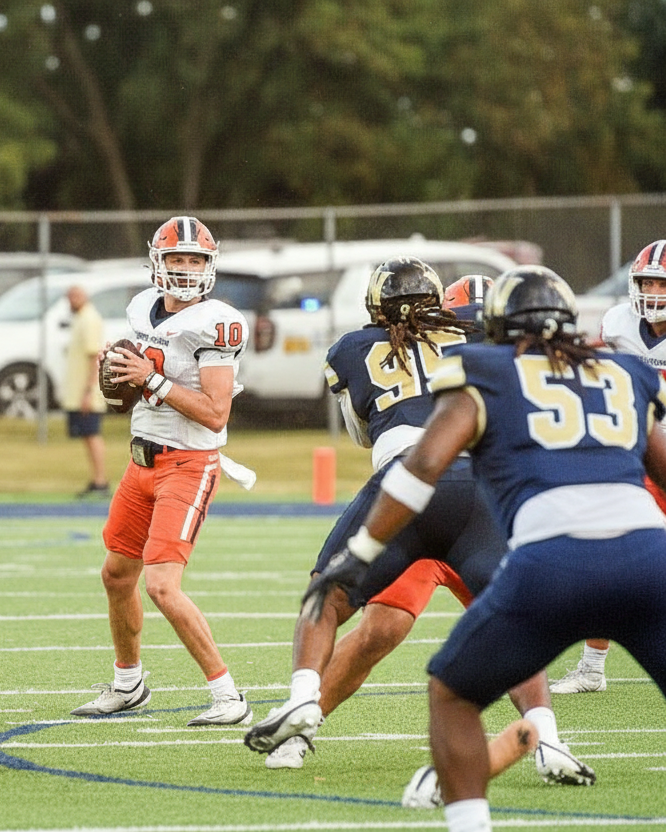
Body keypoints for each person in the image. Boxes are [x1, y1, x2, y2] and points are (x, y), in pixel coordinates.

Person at [302, 265, 666, 832]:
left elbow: (423, 464)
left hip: (549, 556)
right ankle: (545, 736)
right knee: (387, 628)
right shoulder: (623, 370)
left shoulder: (485, 371)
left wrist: (363, 547)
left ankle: (470, 820)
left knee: (451, 694)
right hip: (646, 556)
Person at [244, 261, 590, 787]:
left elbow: (364, 433)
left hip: (407, 485)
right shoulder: (477, 346)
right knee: (497, 621)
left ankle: (301, 699)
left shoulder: (351, 349)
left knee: (326, 596)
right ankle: (550, 739)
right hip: (476, 492)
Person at [70, 216, 253, 726]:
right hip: (141, 461)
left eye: (195, 260)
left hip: (188, 464)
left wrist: (150, 379)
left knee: (162, 586)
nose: (186, 268)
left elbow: (215, 412)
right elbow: (135, 387)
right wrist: (122, 381)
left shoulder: (217, 322)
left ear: (209, 266)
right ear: (158, 262)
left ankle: (228, 696)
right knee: (116, 575)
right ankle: (128, 684)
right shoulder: (141, 309)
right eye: (177, 258)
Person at [550, 240, 666, 695]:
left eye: (661, 284)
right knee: (611, 554)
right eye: (647, 283)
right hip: (639, 455)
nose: (653, 293)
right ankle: (592, 668)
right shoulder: (619, 323)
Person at [62, 284, 110, 498]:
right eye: (69, 296)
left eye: (75, 296)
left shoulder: (89, 319)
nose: (71, 300)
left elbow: (94, 357)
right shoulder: (80, 318)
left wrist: (89, 391)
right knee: (87, 436)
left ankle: (101, 481)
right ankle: (96, 479)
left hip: (88, 392)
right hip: (79, 391)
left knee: (92, 435)